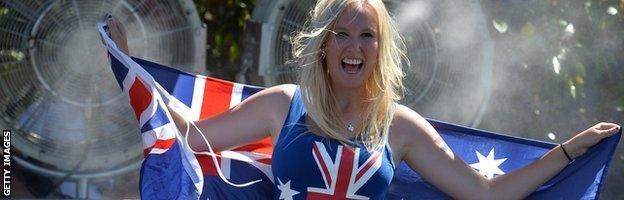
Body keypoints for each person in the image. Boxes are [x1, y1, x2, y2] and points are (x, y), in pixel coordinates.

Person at [105, 0, 620, 199]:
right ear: (325, 46)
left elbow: (487, 196)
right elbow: (189, 137)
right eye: (342, 35)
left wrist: (569, 152)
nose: (354, 46)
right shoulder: (284, 104)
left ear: (382, 49)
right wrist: (132, 70)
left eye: (367, 36)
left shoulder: (402, 127)